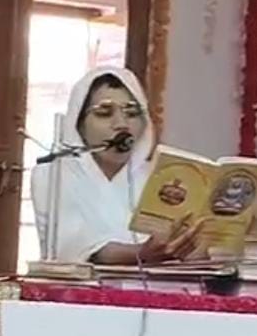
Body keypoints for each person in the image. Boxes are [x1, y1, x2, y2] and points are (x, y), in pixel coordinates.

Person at [31, 66, 202, 264]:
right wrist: (140, 254)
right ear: (79, 124)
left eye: (131, 112)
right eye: (104, 113)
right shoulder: (52, 176)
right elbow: (74, 246)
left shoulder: (157, 176)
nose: (121, 124)